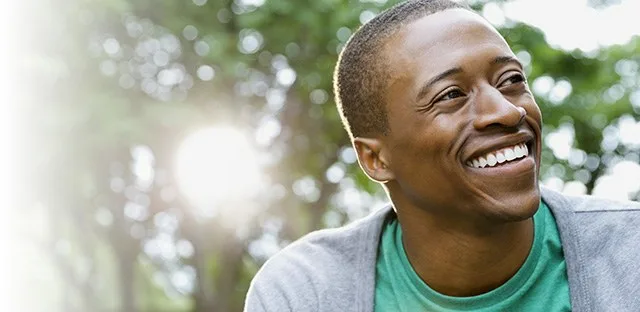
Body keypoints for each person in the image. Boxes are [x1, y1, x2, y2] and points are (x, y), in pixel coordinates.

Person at [244, 0, 640, 311]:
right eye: (451, 95)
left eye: (512, 80)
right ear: (375, 159)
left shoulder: (630, 255)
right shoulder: (305, 292)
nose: (506, 110)